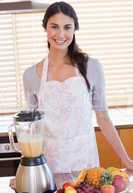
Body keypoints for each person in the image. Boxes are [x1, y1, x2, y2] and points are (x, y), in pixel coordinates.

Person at [23, 1, 133, 173]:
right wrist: (25, 171)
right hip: (48, 169)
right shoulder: (30, 75)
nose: (61, 34)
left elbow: (103, 117)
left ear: (75, 29)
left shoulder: (92, 67)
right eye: (54, 26)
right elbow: (31, 129)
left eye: (67, 27)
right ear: (45, 28)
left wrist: (126, 159)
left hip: (85, 165)